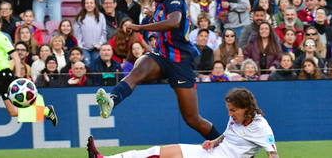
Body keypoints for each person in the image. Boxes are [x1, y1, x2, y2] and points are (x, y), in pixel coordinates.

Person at [97, 0, 221, 141]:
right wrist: (152, 15)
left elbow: (174, 22)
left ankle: (224, 145)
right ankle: (111, 100)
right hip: (161, 56)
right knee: (137, 71)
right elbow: (164, 17)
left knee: (192, 119)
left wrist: (140, 27)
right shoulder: (160, 2)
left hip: (180, 62)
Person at [88, 87, 279, 158]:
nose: (230, 114)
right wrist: (214, 141)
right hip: (211, 152)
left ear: (246, 108)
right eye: (228, 109)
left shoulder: (261, 127)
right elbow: (227, 135)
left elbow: (273, 154)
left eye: (233, 110)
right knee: (156, 152)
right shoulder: (236, 117)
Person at [0, 12, 58, 150]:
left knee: (13, 112)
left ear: (0, 25)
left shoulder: (2, 38)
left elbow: (16, 58)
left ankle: (47, 111)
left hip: (5, 77)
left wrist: (18, 78)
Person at [74, 0, 107, 67]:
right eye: (87, 3)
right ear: (84, 5)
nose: (89, 5)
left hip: (96, 48)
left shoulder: (101, 16)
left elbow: (103, 32)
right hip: (84, 48)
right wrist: (80, 48)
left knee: (97, 64)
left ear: (95, 5)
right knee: (87, 64)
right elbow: (77, 35)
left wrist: (100, 44)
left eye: (91, 3)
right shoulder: (80, 18)